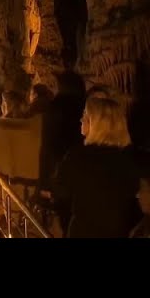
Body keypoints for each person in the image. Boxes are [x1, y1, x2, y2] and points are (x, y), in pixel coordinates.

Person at [53, 96, 141, 238]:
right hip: (118, 232)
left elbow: (60, 192)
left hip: (84, 232)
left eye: (85, 115)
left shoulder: (78, 156)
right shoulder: (128, 159)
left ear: (95, 122)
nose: (80, 119)